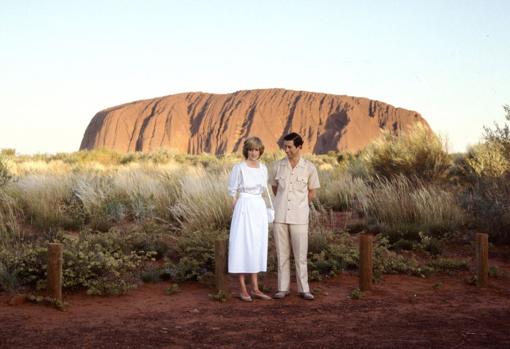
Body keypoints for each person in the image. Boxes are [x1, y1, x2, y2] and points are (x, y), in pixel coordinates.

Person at [270, 132, 320, 300]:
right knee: (282, 254)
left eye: (290, 146)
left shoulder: (309, 168)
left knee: (300, 254)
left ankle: (304, 289)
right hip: (280, 216)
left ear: (299, 147)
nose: (286, 150)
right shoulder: (278, 166)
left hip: (299, 217)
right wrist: (283, 203)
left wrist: (299, 205)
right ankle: (282, 288)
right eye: (285, 146)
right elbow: (275, 188)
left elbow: (312, 192)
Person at [227, 137, 272, 302]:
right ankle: (243, 288)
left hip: (258, 207)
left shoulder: (263, 168)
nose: (254, 153)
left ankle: (255, 287)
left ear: (261, 151)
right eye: (251, 149)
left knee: (256, 245)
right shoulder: (239, 168)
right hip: (244, 206)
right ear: (246, 150)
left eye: (257, 149)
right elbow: (232, 192)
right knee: (241, 244)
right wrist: (237, 209)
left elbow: (264, 189)